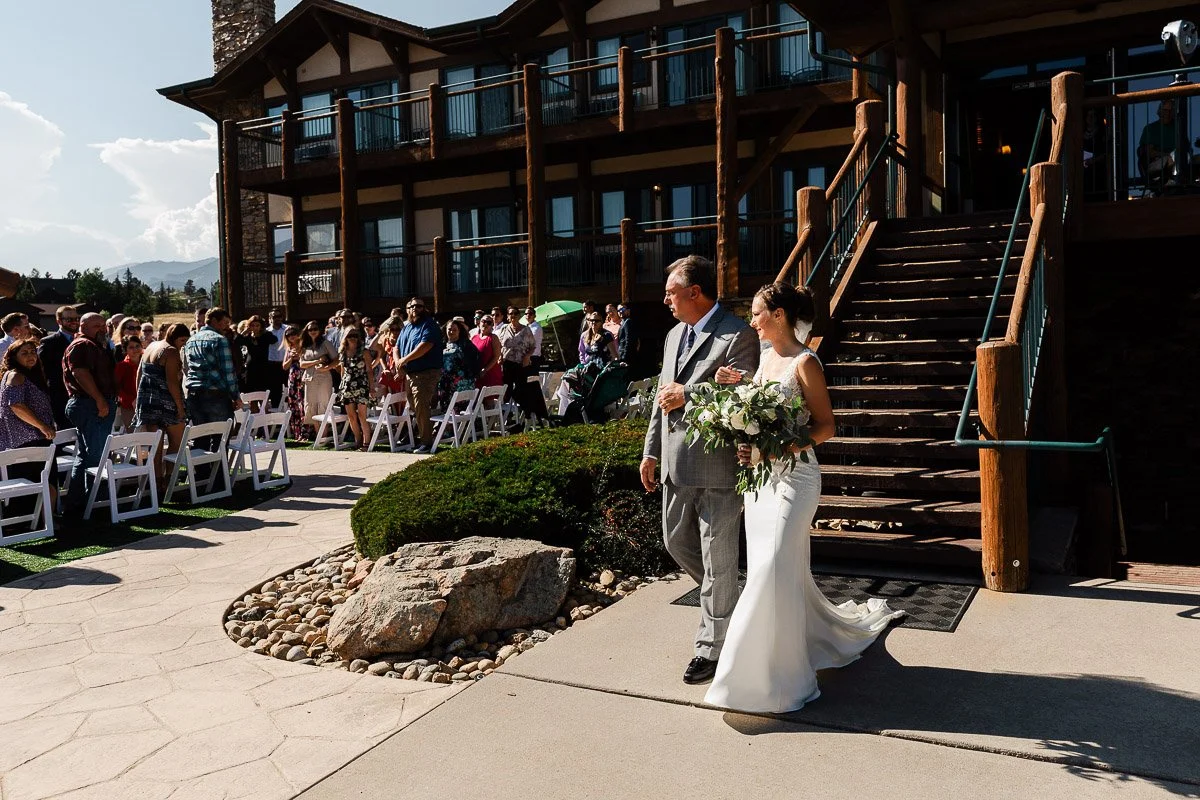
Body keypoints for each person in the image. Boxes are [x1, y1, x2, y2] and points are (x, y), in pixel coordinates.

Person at [704, 282, 903, 712]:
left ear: (778, 315)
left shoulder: (806, 361)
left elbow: (826, 426)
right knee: (775, 570)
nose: (752, 320)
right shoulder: (765, 358)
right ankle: (783, 657)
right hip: (760, 483)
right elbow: (759, 412)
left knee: (772, 564)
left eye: (757, 313)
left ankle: (770, 679)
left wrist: (780, 446)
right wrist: (740, 410)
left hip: (796, 479)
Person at [640, 255, 760, 686]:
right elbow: (661, 396)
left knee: (719, 557)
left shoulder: (738, 333)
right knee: (677, 543)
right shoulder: (673, 335)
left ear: (695, 292)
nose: (665, 299)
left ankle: (712, 646)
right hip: (674, 462)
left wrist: (688, 393)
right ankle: (726, 599)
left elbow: (746, 393)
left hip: (717, 465)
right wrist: (650, 451)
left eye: (672, 291)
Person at [63, 312, 119, 511]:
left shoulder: (96, 345)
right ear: (83, 326)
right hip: (90, 404)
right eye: (97, 326)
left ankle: (79, 503)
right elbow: (80, 373)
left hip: (92, 404)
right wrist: (99, 400)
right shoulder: (82, 345)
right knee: (96, 457)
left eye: (104, 325)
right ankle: (92, 505)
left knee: (88, 456)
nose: (102, 329)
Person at [0, 340, 59, 514]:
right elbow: (16, 405)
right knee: (40, 483)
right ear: (14, 357)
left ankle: (45, 521)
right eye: (24, 353)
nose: (30, 356)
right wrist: (43, 427)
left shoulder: (29, 375)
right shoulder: (15, 375)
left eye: (32, 352)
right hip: (27, 441)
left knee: (45, 483)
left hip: (35, 440)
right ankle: (42, 522)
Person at [135, 324, 190, 483]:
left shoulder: (152, 345)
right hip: (167, 402)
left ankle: (156, 482)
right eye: (182, 340)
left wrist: (140, 399)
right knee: (177, 441)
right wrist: (180, 407)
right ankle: (168, 478)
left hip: (148, 402)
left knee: (155, 447)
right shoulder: (171, 351)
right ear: (174, 337)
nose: (183, 344)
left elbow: (139, 374)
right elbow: (172, 382)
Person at [395, 297, 442, 454]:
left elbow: (426, 346)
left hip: (426, 373)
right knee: (415, 407)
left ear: (424, 308)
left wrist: (404, 360)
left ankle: (426, 443)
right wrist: (398, 363)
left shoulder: (429, 324)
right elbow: (396, 348)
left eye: (419, 306)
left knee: (421, 406)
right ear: (407, 310)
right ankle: (420, 439)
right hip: (411, 374)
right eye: (411, 306)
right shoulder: (406, 328)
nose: (415, 308)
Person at [182, 308, 242, 425]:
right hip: (215, 395)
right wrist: (236, 396)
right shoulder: (219, 340)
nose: (227, 327)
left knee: (200, 437)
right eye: (225, 323)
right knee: (220, 438)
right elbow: (227, 372)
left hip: (194, 394)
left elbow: (188, 367)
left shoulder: (191, 340)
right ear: (214, 320)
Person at [496, 305, 547, 429]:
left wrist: (527, 356)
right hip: (507, 363)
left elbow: (533, 346)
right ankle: (508, 418)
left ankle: (528, 415)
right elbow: (501, 345)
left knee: (521, 391)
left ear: (519, 316)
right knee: (507, 391)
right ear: (507, 316)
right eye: (510, 314)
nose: (513, 316)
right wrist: (500, 356)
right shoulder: (504, 329)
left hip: (521, 364)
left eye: (515, 313)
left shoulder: (526, 330)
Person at [39, 305, 81, 428]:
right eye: (69, 319)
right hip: (59, 396)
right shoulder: (48, 342)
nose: (74, 322)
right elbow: (43, 372)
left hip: (82, 396)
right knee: (64, 436)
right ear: (59, 321)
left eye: (76, 319)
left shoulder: (82, 340)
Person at [337, 328, 374, 451]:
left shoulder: (364, 352)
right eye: (349, 335)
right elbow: (343, 371)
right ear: (345, 337)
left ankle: (366, 443)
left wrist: (372, 387)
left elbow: (369, 370)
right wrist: (341, 388)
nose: (352, 338)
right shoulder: (343, 352)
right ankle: (358, 441)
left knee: (362, 415)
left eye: (355, 335)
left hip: (361, 385)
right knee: (351, 416)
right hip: (347, 386)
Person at [299, 322, 338, 438]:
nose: (313, 331)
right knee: (311, 405)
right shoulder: (305, 346)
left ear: (319, 330)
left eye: (315, 329)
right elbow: (302, 364)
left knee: (323, 404)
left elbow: (337, 359)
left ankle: (324, 434)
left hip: (323, 377)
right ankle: (318, 435)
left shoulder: (325, 343)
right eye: (310, 329)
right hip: (309, 378)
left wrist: (326, 367)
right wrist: (317, 361)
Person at [438, 319, 481, 409]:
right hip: (445, 383)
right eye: (449, 329)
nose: (451, 332)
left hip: (463, 383)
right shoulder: (442, 345)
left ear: (459, 331)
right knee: (447, 411)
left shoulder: (466, 345)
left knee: (462, 412)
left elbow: (476, 360)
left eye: (455, 330)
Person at [1139, 99, 1179, 190]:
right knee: (1173, 157)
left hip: (1176, 160)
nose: (1167, 114)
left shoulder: (1178, 128)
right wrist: (1167, 155)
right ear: (1159, 112)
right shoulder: (1150, 129)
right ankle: (1174, 184)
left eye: (1170, 111)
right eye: (1165, 110)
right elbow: (1149, 153)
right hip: (1155, 163)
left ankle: (1181, 183)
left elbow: (1186, 148)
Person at [236, 315, 279, 396]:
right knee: (252, 395)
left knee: (264, 394)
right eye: (253, 325)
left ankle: (263, 409)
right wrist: (244, 332)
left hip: (263, 367)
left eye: (257, 325)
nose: (255, 328)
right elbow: (237, 342)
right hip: (251, 368)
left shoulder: (266, 336)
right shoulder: (248, 337)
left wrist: (264, 331)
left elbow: (274, 340)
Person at [280, 326, 307, 440]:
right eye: (288, 335)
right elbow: (284, 366)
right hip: (293, 378)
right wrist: (291, 358)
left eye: (294, 333)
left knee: (303, 404)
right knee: (294, 405)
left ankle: (307, 432)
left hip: (303, 376)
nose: (292, 336)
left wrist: (299, 356)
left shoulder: (304, 347)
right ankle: (297, 432)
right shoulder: (288, 349)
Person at [113, 335, 143, 433]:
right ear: (125, 350)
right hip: (129, 406)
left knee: (149, 434)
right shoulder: (122, 366)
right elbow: (116, 387)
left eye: (137, 346)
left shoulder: (146, 363)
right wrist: (131, 400)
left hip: (146, 404)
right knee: (133, 433)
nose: (135, 349)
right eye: (131, 347)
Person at [472, 315, 503, 391]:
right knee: (476, 400)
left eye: (488, 322)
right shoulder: (474, 338)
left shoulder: (493, 338)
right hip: (477, 375)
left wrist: (485, 370)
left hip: (490, 374)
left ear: (492, 325)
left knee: (489, 401)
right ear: (479, 323)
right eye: (483, 321)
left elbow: (497, 356)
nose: (485, 324)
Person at [265, 309, 288, 409]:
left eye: (279, 316)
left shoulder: (288, 329)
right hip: (273, 364)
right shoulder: (266, 332)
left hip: (286, 362)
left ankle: (290, 412)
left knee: (289, 389)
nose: (277, 319)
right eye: (274, 317)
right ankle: (277, 417)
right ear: (270, 319)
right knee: (275, 391)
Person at [523, 306, 544, 371]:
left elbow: (528, 341)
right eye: (526, 314)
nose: (528, 315)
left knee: (533, 379)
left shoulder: (537, 327)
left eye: (530, 314)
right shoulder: (525, 327)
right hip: (525, 357)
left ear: (534, 316)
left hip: (533, 357)